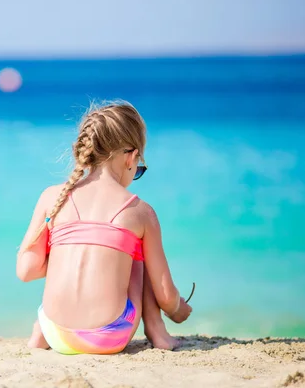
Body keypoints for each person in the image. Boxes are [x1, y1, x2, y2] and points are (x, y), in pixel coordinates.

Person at [16, 100, 193, 355]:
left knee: (66, 251)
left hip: (55, 332)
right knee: (136, 253)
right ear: (131, 157)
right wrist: (179, 310)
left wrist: (69, 250)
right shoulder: (140, 211)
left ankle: (39, 331)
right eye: (139, 167)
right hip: (109, 337)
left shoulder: (51, 197)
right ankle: (157, 330)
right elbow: (165, 295)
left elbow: (26, 270)